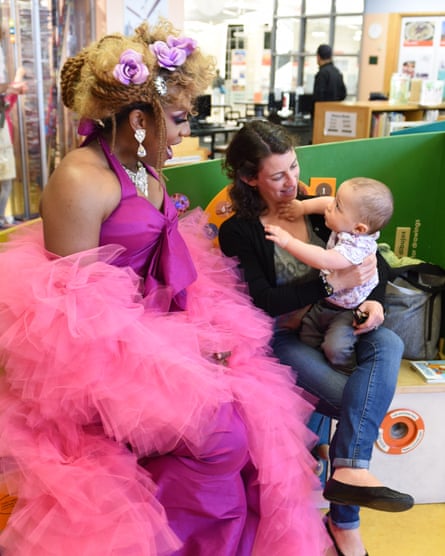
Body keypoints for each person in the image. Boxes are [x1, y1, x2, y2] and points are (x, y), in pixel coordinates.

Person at [0, 21, 331, 555]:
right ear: (137, 119)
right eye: (178, 118)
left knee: (254, 424)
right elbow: (71, 315)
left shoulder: (145, 174)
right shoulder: (80, 180)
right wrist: (177, 357)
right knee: (221, 441)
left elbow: (166, 275)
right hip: (96, 363)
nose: (184, 132)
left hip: (154, 333)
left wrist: (199, 339)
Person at [218, 120, 413, 556]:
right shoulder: (241, 231)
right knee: (356, 402)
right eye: (278, 175)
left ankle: (344, 485)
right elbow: (265, 300)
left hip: (342, 321)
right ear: (250, 178)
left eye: (295, 166)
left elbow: (369, 257)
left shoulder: (318, 208)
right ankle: (345, 518)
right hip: (286, 336)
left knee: (391, 344)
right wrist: (329, 283)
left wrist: (376, 300)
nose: (293, 182)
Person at [264, 177, 394, 373]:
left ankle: (346, 371)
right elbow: (326, 201)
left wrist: (287, 241)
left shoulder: (355, 247)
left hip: (347, 310)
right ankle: (320, 371)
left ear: (359, 229)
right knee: (307, 338)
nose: (329, 207)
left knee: (335, 348)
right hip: (325, 303)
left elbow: (323, 260)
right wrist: (302, 207)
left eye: (337, 207)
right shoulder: (347, 222)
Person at [0, 67, 27, 228]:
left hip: (5, 149)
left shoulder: (4, 105)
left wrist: (17, 77)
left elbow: (10, 96)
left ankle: (1, 217)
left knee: (7, 183)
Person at [312, 44, 346, 117]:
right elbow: (343, 94)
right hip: (336, 114)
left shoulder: (321, 74)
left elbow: (318, 98)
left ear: (318, 57)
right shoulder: (337, 72)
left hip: (323, 115)